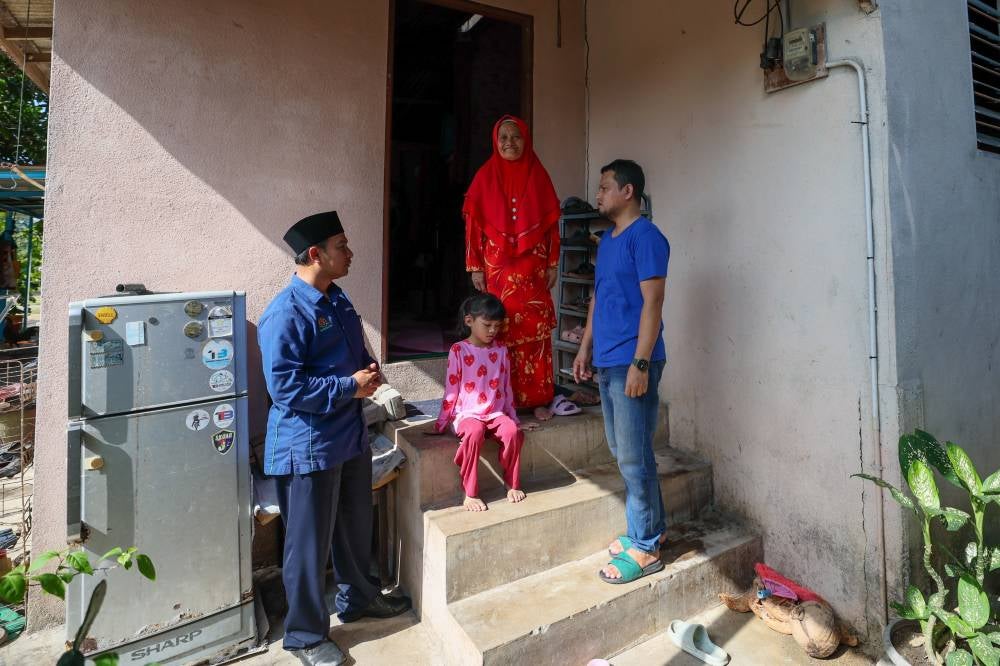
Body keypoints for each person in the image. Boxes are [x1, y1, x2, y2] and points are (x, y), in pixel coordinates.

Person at [259, 211, 410, 666]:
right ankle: (305, 637)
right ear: (315, 254)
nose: (350, 252)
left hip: (348, 437)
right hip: (308, 446)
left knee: (354, 528)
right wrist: (349, 386)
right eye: (341, 245)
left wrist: (369, 373)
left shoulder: (337, 299)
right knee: (307, 546)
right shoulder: (285, 312)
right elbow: (284, 388)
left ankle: (358, 599)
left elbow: (356, 354)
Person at [572, 160, 671, 584]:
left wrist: (641, 364)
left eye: (606, 187)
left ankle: (646, 545)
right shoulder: (608, 240)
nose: (599, 194)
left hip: (634, 360)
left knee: (633, 455)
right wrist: (584, 347)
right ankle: (650, 530)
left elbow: (653, 303)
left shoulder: (646, 237)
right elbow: (598, 298)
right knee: (622, 449)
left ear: (628, 192)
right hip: (608, 359)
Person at [464, 115, 565, 422]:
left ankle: (538, 399)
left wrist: (552, 262)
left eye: (516, 136)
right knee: (499, 327)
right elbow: (473, 224)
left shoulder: (539, 174)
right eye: (503, 137)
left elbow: (550, 225)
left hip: (533, 269)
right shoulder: (484, 176)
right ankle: (502, 398)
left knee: (534, 330)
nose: (510, 142)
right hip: (498, 269)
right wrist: (474, 267)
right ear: (495, 141)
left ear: (526, 139)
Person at [428, 293, 526, 512]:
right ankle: (470, 492)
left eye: (497, 326)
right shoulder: (458, 350)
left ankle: (512, 483)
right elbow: (451, 390)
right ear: (469, 321)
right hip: (467, 415)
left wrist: (514, 418)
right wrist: (441, 423)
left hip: (496, 414)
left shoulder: (501, 350)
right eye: (487, 324)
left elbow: (506, 387)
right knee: (473, 432)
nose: (493, 330)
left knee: (511, 432)